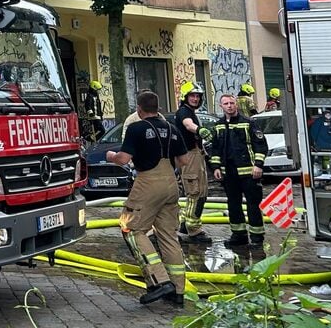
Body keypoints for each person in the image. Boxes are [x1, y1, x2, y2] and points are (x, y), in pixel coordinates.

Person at [106, 89, 188, 307]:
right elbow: (184, 160)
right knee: (169, 236)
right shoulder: (172, 128)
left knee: (131, 228)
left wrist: (111, 156)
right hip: (171, 184)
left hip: (147, 183)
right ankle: (178, 291)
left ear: (139, 110)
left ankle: (159, 281)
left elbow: (124, 159)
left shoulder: (136, 128)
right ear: (158, 108)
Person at [206, 93, 268, 248]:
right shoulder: (219, 126)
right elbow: (215, 149)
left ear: (236, 105)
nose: (229, 106)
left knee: (253, 205)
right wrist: (215, 168)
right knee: (233, 205)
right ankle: (238, 235)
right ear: (221, 106)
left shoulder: (248, 123)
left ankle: (257, 238)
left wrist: (258, 165)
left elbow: (260, 145)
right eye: (226, 103)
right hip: (229, 174)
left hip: (249, 173)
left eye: (231, 103)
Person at [174, 82, 211, 244]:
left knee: (201, 192)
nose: (195, 99)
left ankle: (185, 225)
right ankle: (193, 230)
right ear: (185, 97)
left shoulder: (190, 111)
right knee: (195, 192)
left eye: (198, 96)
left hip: (196, 154)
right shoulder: (184, 112)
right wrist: (199, 130)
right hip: (189, 156)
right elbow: (188, 125)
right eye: (192, 96)